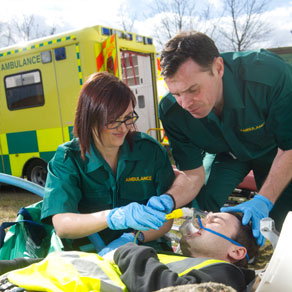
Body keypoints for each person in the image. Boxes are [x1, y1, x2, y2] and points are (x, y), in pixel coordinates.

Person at [157, 30, 292, 245]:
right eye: (176, 93)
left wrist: (264, 199)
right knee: (203, 198)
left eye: (193, 89)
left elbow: (290, 146)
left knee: (282, 219)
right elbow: (192, 174)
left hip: (276, 151)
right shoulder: (171, 111)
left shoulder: (269, 75)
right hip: (225, 154)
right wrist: (169, 200)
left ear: (218, 68)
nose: (185, 103)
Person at [40, 71, 176, 252]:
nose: (123, 128)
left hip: (145, 247)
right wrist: (112, 217)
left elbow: (167, 218)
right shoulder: (68, 159)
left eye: (128, 117)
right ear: (90, 119)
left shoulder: (150, 152)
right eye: (112, 121)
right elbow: (62, 225)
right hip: (90, 254)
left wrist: (135, 237)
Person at [0, 212, 257, 292]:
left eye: (214, 222)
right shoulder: (189, 264)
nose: (201, 220)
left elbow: (161, 288)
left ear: (236, 251)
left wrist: (129, 251)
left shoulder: (228, 276)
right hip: (39, 274)